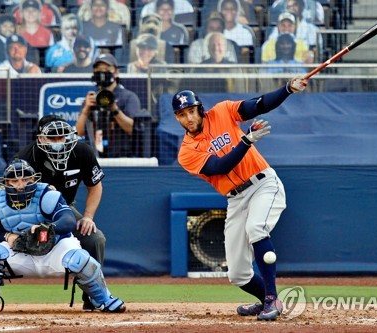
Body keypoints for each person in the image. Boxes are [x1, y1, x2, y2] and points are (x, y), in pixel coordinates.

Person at [171, 75, 308, 321]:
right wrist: (245, 141)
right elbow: (219, 167)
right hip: (235, 199)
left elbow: (257, 105)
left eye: (192, 110)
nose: (189, 118)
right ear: (177, 118)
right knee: (237, 274)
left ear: (200, 108)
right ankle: (266, 298)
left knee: (257, 228)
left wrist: (287, 89)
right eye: (182, 114)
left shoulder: (222, 111)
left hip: (263, 183)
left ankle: (271, 300)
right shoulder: (186, 152)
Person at [0, 159, 125, 313]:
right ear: (6, 182)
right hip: (21, 251)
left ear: (34, 179)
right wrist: (7, 236)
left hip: (54, 249)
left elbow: (68, 221)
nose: (20, 185)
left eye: (25, 179)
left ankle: (102, 300)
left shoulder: (47, 194)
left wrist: (47, 228)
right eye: (14, 180)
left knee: (81, 260)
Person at [15, 116, 108, 311]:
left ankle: (94, 296)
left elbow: (95, 186)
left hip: (64, 209)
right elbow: (12, 193)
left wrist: (88, 217)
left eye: (62, 137)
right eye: (52, 138)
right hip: (29, 210)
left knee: (95, 238)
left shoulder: (82, 152)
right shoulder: (25, 159)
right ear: (41, 138)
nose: (59, 142)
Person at [77, 53, 147, 157]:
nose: (103, 72)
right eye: (99, 69)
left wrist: (114, 109)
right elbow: (79, 132)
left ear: (116, 72)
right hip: (96, 155)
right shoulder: (91, 99)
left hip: (123, 156)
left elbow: (132, 130)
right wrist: (86, 110)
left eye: (107, 69)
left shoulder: (128, 97)